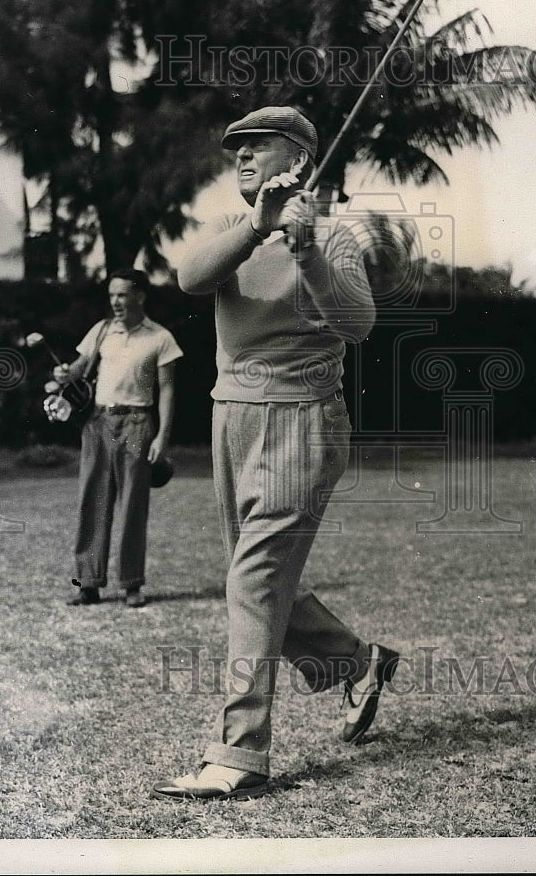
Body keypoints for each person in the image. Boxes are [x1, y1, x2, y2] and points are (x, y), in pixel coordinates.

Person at [152, 107, 399, 801]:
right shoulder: (234, 233)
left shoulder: (334, 236)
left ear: (299, 159)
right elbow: (188, 278)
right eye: (235, 148)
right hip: (230, 417)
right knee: (253, 580)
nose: (241, 157)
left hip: (301, 419)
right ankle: (356, 662)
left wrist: (306, 250)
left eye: (257, 145)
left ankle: (238, 754)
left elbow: (356, 324)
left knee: (254, 583)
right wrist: (259, 226)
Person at [54, 269, 183, 609]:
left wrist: (162, 437)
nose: (115, 301)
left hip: (138, 423)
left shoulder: (161, 338)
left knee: (132, 506)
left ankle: (131, 584)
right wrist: (65, 373)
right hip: (98, 422)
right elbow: (80, 367)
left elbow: (168, 390)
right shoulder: (101, 330)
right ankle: (88, 584)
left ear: (140, 296)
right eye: (112, 295)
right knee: (92, 502)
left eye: (123, 295)